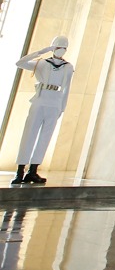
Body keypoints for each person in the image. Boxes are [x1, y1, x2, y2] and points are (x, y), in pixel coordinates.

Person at [13, 37, 72, 186]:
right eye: (58, 47)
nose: (61, 50)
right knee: (29, 134)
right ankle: (20, 170)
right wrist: (41, 52)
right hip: (40, 100)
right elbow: (20, 63)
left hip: (55, 102)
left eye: (63, 48)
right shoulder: (42, 63)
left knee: (45, 137)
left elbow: (67, 89)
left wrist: (62, 107)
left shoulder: (68, 67)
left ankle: (33, 170)